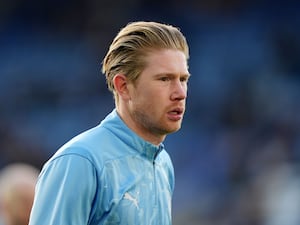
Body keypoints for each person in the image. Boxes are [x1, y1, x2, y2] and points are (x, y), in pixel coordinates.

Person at [29, 21, 190, 225]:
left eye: (183, 79)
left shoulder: (163, 164)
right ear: (123, 87)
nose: (180, 93)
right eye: (164, 79)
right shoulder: (80, 162)